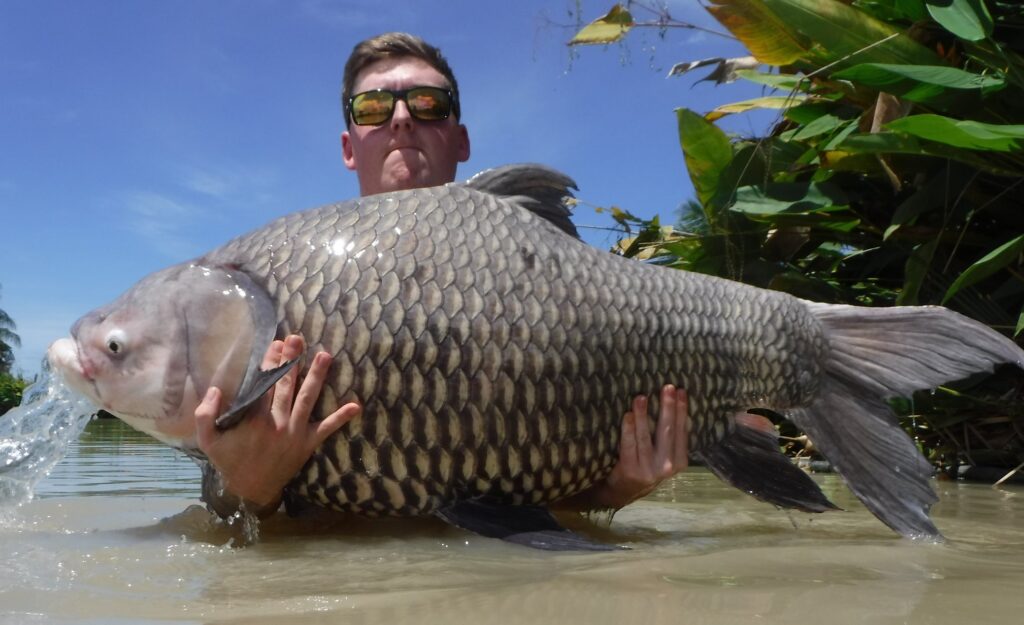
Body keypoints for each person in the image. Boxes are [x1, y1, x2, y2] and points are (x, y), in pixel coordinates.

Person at [194, 32, 691, 519]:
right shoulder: (288, 282)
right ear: (350, 146)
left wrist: (612, 491)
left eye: (428, 104)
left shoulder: (543, 279)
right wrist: (249, 484)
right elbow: (222, 513)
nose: (403, 119)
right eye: (373, 107)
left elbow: (538, 516)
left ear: (462, 138)